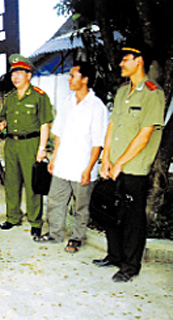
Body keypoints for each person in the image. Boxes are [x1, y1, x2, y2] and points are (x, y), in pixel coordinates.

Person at [93, 44, 165, 282]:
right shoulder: (123, 91)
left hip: (133, 167)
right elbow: (112, 126)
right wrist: (105, 158)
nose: (121, 63)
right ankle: (114, 255)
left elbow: (145, 135)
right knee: (110, 210)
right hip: (113, 164)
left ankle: (130, 266)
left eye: (126, 59)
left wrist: (120, 162)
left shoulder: (153, 94)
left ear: (139, 61)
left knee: (133, 218)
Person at [34, 62, 109, 253]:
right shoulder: (67, 101)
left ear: (85, 80)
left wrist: (89, 167)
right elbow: (58, 133)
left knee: (81, 206)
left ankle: (77, 238)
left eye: (73, 76)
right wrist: (53, 158)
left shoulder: (96, 106)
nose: (69, 79)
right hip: (62, 164)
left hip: (83, 166)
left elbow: (97, 142)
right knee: (55, 201)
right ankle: (55, 233)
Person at [0, 54, 54, 238]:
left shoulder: (39, 96)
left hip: (31, 143)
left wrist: (42, 148)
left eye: (20, 73)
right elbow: (3, 117)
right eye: (13, 73)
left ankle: (35, 222)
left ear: (29, 75)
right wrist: (2, 124)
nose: (16, 77)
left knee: (32, 184)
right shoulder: (10, 97)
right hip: (11, 143)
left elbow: (45, 123)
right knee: (11, 183)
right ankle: (13, 217)